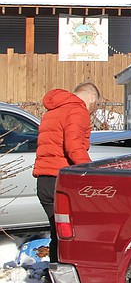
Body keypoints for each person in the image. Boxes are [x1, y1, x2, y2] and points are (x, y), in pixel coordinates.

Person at [34, 81, 101, 262]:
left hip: (44, 180)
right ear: (92, 98)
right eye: (95, 105)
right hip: (62, 180)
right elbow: (74, 147)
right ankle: (64, 278)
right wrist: (91, 172)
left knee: (58, 232)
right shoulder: (77, 110)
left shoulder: (54, 110)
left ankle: (55, 274)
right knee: (70, 234)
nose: (93, 110)